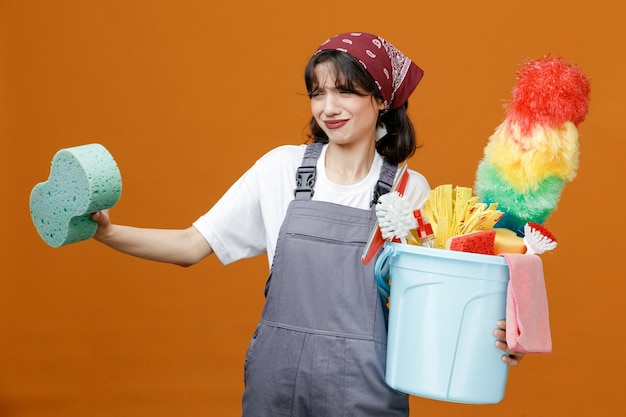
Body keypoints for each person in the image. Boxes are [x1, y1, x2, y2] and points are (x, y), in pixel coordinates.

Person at [92, 32, 524, 417]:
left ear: (380, 99)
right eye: (317, 93)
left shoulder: (409, 190)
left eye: (346, 92)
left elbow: (439, 300)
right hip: (276, 385)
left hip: (365, 390)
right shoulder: (280, 169)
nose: (328, 108)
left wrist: (499, 337)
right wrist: (107, 233)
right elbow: (190, 245)